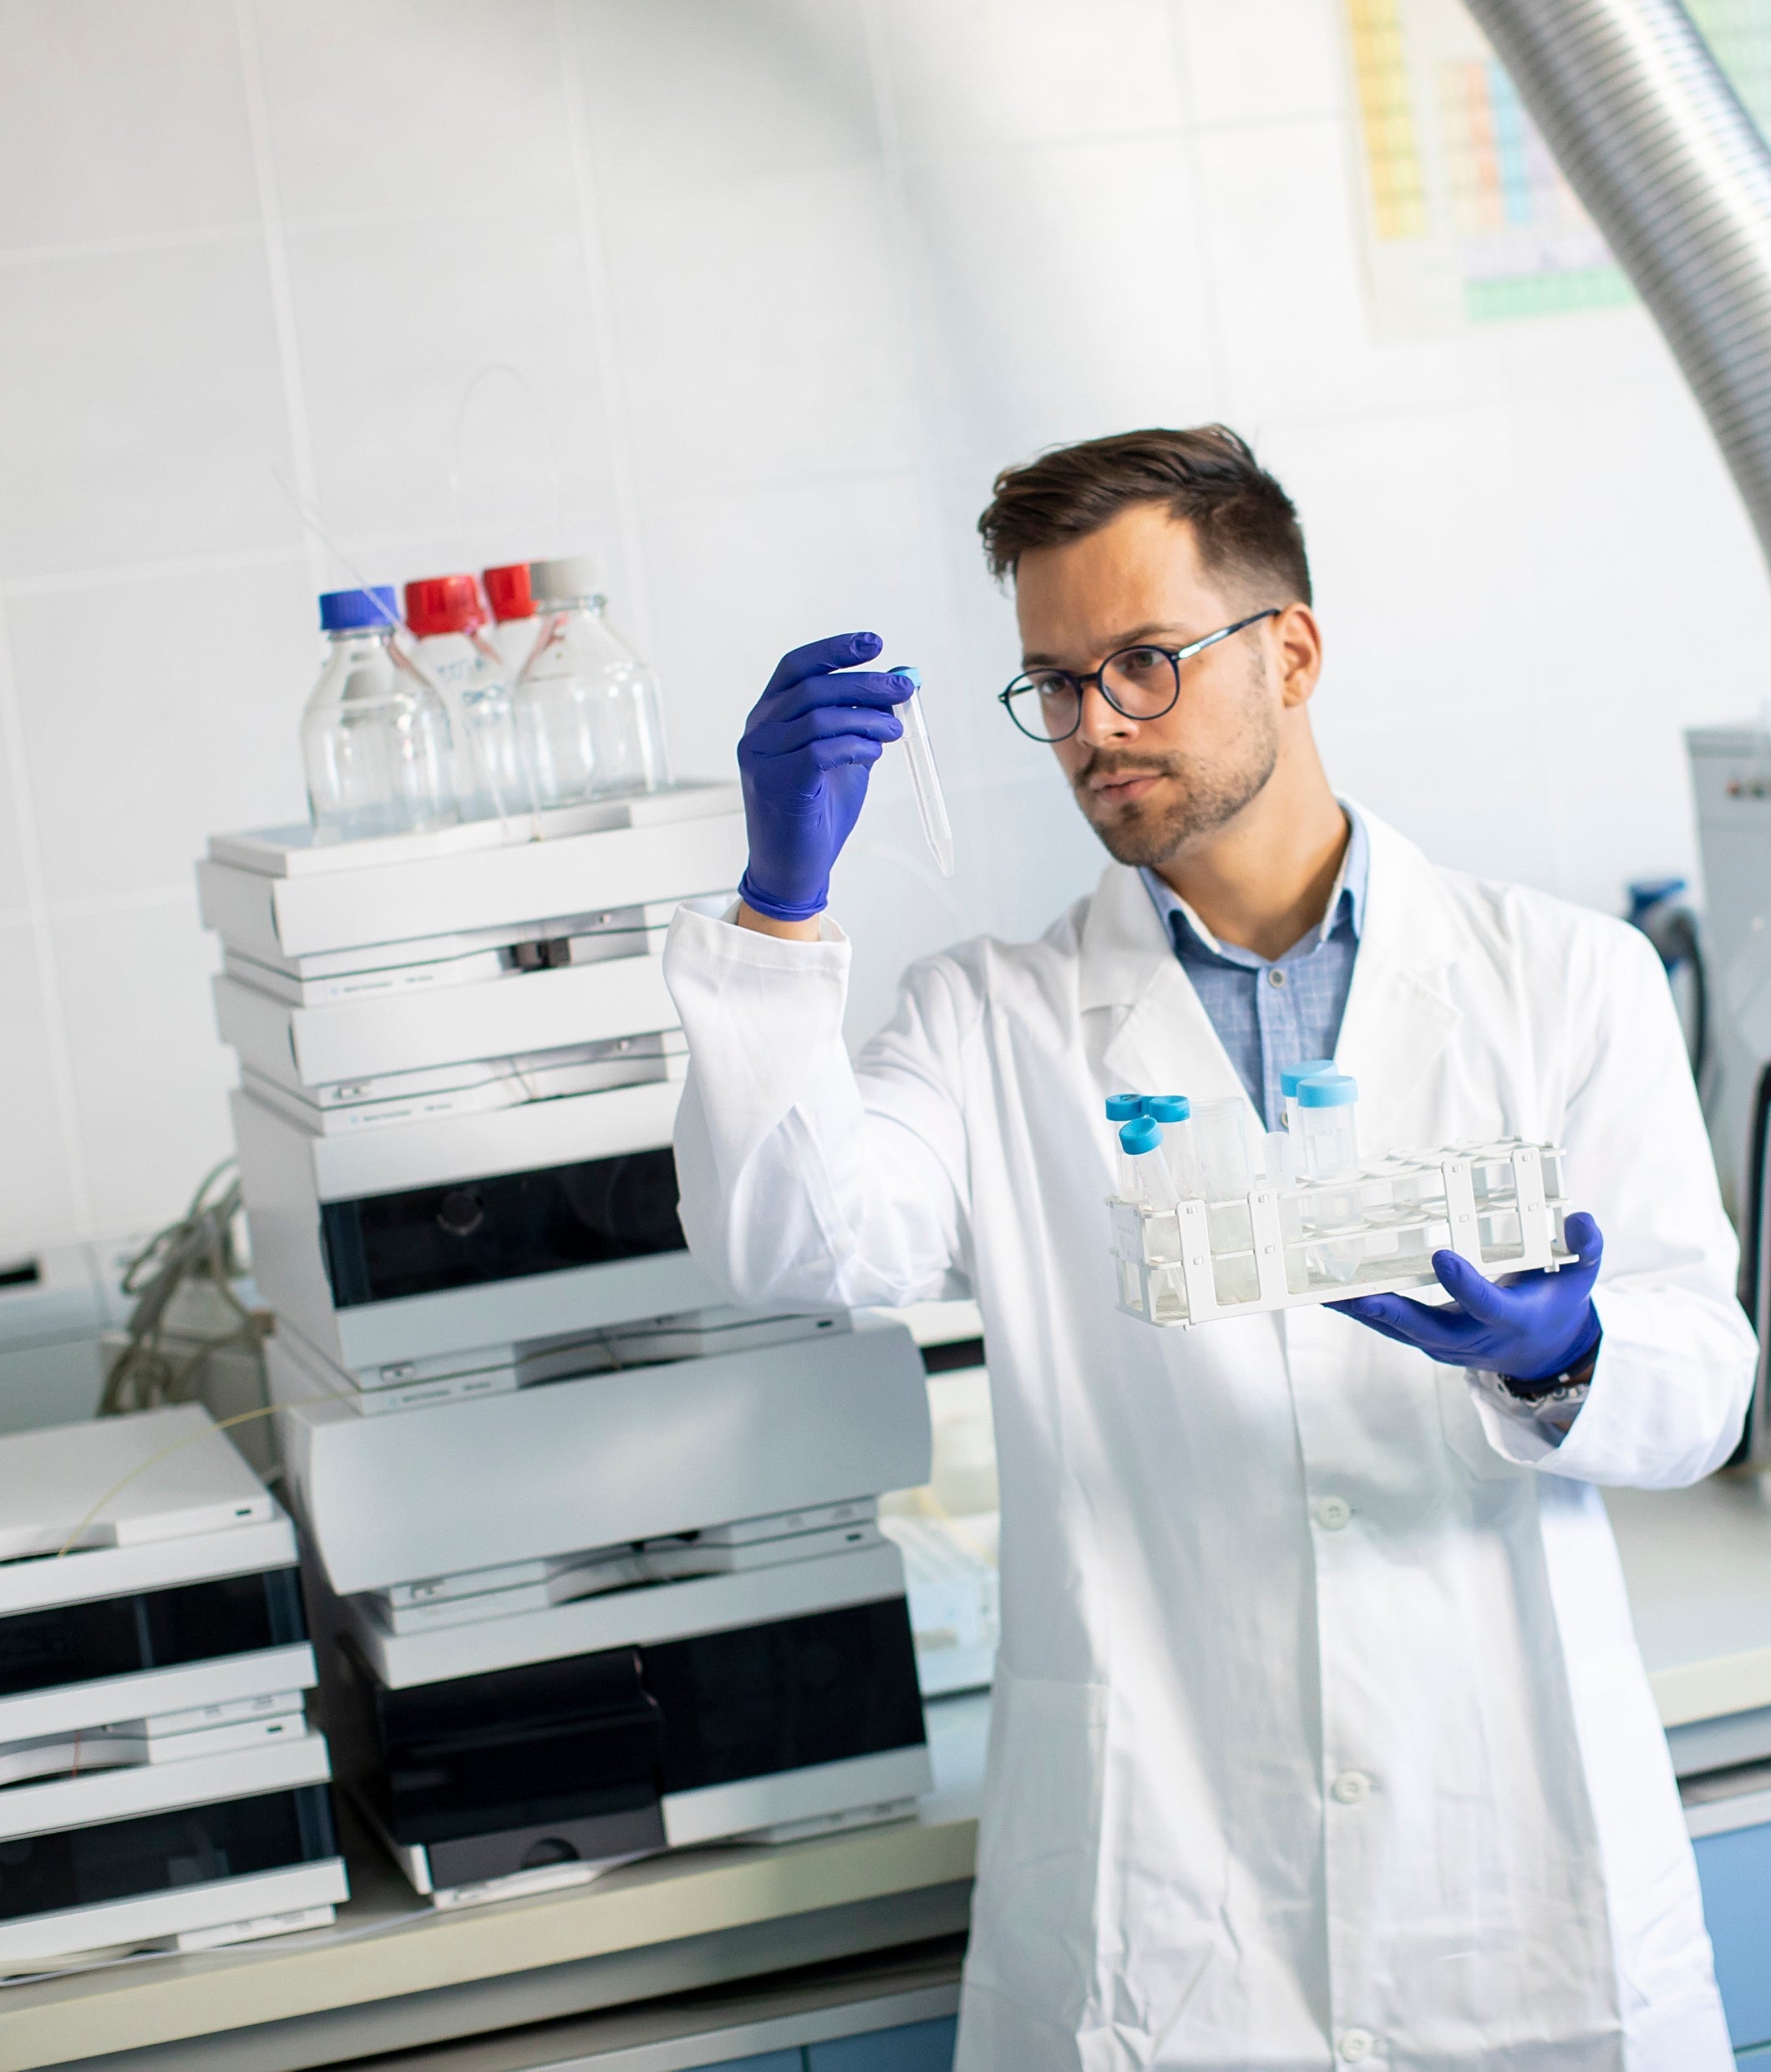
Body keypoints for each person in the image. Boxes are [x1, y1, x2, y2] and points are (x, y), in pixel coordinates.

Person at [662, 426, 1755, 2069]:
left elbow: (1705, 1389)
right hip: (1166, 1936)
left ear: (1291, 650)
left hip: (1516, 1903)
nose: (1095, 724)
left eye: (1144, 663)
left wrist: (1567, 1356)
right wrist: (776, 908)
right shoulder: (990, 1023)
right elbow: (789, 1242)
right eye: (1054, 683)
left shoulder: (1562, 978)